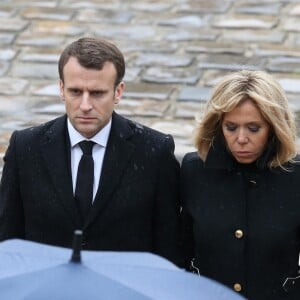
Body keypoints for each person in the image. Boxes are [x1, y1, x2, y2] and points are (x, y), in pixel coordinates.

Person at [0, 37, 181, 265]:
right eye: (75, 92)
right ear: (61, 89)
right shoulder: (25, 148)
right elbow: (7, 241)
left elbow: (169, 248)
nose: (85, 105)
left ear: (118, 92)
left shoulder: (154, 152)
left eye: (97, 93)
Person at [180, 70, 300, 299]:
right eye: (231, 127)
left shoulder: (295, 177)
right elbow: (181, 251)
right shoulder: (194, 171)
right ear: (218, 126)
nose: (242, 138)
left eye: (254, 128)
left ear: (274, 128)